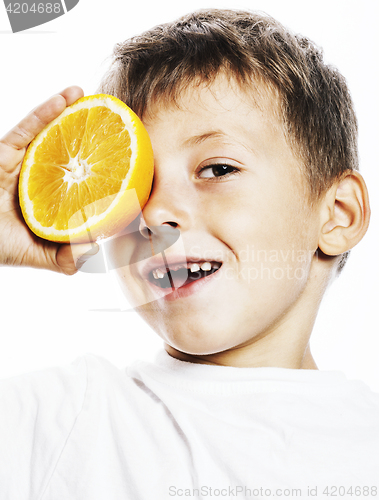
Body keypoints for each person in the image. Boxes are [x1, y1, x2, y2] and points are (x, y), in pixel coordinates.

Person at [0, 8, 378, 500]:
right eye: (132, 187)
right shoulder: (57, 422)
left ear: (338, 215)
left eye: (217, 170)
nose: (153, 215)